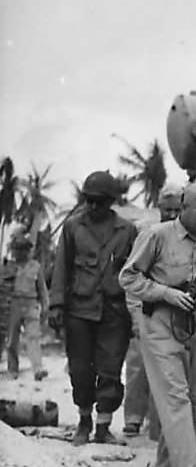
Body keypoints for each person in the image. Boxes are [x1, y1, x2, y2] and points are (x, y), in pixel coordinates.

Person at [119, 184, 196, 467]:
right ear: (184, 208)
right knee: (176, 397)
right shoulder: (156, 236)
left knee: (191, 399)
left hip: (195, 328)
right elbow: (128, 278)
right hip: (159, 325)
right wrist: (165, 293)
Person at [49, 170, 137, 445]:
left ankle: (103, 426)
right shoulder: (73, 227)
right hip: (79, 309)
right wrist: (56, 305)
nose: (93, 206)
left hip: (114, 311)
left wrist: (135, 315)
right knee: (80, 369)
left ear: (111, 201)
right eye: (89, 200)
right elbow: (61, 267)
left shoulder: (127, 230)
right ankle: (84, 422)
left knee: (111, 369)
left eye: (100, 201)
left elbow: (136, 273)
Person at [124, 184, 184, 435]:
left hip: (172, 309)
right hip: (145, 305)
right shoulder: (145, 232)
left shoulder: (184, 236)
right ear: (159, 207)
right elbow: (132, 277)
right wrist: (135, 313)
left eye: (176, 209)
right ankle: (133, 417)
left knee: (167, 370)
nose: (170, 214)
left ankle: (157, 422)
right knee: (137, 364)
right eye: (166, 209)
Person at [5, 228, 49, 380]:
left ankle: (37, 369)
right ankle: (12, 369)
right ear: (14, 250)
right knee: (12, 340)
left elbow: (42, 289)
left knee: (33, 337)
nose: (21, 252)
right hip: (13, 304)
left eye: (24, 249)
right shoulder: (8, 267)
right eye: (18, 249)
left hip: (31, 304)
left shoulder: (35, 267)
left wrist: (45, 307)